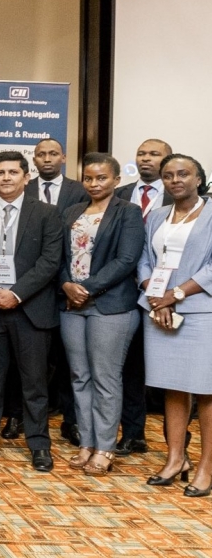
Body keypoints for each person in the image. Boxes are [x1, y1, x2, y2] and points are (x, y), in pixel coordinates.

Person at [0, 151, 65, 472]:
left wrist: (16, 294)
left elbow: (50, 261)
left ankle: (39, 444)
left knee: (34, 383)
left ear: (26, 177)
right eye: (0, 173)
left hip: (30, 309)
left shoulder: (46, 213)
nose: (6, 178)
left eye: (13, 172)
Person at [57, 152, 144, 475]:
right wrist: (67, 284)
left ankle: (106, 447)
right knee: (80, 376)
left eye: (102, 178)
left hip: (111, 306)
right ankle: (87, 443)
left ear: (116, 180)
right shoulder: (72, 212)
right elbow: (59, 255)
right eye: (89, 178)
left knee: (106, 378)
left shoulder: (129, 212)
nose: (94, 183)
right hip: (71, 306)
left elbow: (126, 260)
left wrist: (87, 288)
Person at [138, 153, 212, 497]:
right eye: (168, 175)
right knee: (172, 387)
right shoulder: (155, 216)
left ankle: (205, 467)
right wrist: (155, 297)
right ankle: (175, 460)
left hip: (200, 311)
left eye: (184, 174)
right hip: (158, 310)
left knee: (206, 391)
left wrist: (176, 294)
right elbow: (144, 261)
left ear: (199, 178)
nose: (175, 180)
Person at [13, 137, 86, 446]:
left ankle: (70, 421)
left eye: (53, 153)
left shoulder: (79, 191)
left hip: (68, 285)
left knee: (69, 360)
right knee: (25, 360)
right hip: (28, 289)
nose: (46, 159)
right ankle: (18, 415)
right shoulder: (21, 188)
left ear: (63, 157)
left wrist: (67, 282)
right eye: (40, 154)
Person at [115, 137, 173, 456]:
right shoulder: (121, 194)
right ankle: (133, 433)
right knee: (132, 368)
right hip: (127, 293)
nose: (146, 159)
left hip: (170, 296)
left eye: (154, 154)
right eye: (141, 153)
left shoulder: (180, 196)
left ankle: (174, 439)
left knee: (170, 368)